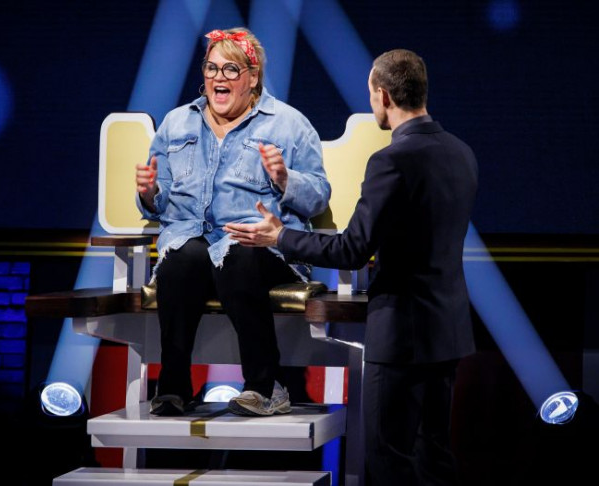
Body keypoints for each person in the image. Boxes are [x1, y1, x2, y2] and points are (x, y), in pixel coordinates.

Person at [224, 49, 478, 484]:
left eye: (371, 94)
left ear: (383, 95)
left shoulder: (391, 160)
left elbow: (352, 250)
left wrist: (280, 237)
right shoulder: (461, 153)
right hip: (449, 330)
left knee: (388, 460)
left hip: (400, 336)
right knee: (435, 457)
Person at [135, 27, 331, 417]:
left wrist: (285, 179)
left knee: (238, 257)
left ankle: (265, 386)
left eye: (230, 69)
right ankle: (173, 386)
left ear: (252, 77)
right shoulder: (177, 123)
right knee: (179, 262)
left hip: (262, 247)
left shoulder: (288, 124)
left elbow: (319, 195)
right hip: (194, 241)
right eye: (211, 68)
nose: (218, 78)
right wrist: (149, 193)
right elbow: (159, 203)